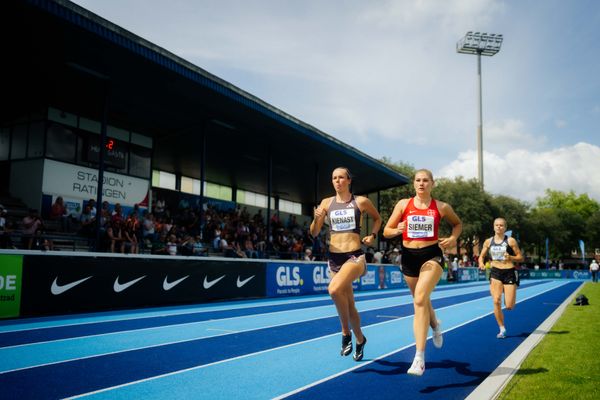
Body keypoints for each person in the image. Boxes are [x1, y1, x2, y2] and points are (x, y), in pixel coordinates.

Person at [383, 168, 462, 376]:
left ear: (432, 184)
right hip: (408, 256)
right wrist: (398, 229)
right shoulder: (403, 204)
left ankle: (419, 358)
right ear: (414, 184)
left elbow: (457, 224)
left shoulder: (442, 207)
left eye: (425, 180)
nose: (421, 184)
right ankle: (435, 325)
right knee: (422, 299)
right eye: (418, 180)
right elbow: (386, 231)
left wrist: (453, 238)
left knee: (419, 300)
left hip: (431, 255)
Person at [310, 167, 381, 362]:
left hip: (354, 257)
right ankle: (360, 339)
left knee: (333, 290)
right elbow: (314, 232)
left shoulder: (360, 201)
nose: (337, 181)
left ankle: (345, 333)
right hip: (334, 259)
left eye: (341, 177)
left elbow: (377, 218)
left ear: (349, 180)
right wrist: (317, 218)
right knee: (350, 306)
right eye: (334, 178)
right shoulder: (326, 202)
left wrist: (372, 235)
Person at [478, 218, 524, 340]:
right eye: (497, 225)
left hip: (509, 272)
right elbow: (481, 256)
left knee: (509, 306)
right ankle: (502, 329)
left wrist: (511, 257)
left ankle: (512, 291)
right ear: (493, 227)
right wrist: (481, 263)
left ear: (505, 227)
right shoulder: (488, 242)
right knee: (496, 300)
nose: (499, 227)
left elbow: (520, 257)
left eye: (501, 225)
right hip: (495, 272)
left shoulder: (511, 241)